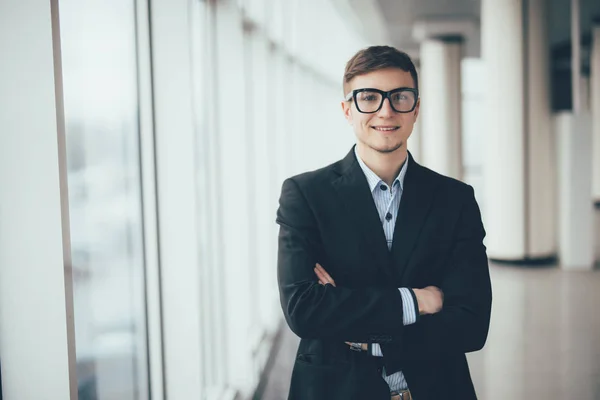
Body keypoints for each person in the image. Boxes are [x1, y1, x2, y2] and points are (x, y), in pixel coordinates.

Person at [275, 45, 492, 400]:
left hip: (437, 388)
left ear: (416, 109)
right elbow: (304, 311)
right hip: (336, 389)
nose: (386, 111)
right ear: (347, 109)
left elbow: (472, 323)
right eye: (369, 97)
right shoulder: (305, 196)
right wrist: (417, 302)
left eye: (400, 97)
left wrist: (357, 326)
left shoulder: (455, 200)